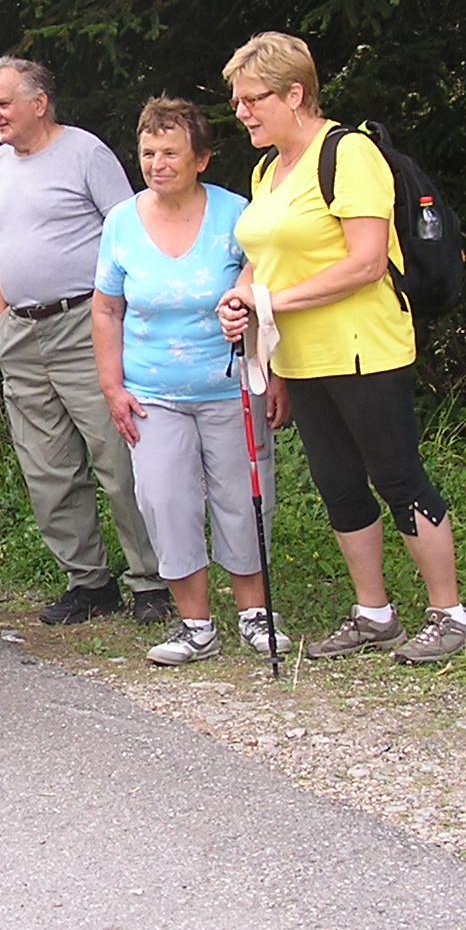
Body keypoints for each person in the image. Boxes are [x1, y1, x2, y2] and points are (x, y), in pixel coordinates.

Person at [218, 31, 466, 664]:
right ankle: (373, 612)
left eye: (254, 99)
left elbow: (364, 263)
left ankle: (451, 614)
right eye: (237, 102)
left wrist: (268, 302)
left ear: (295, 93)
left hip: (366, 347)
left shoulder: (349, 153)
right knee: (338, 483)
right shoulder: (266, 168)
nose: (243, 112)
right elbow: (262, 258)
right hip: (300, 354)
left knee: (395, 474)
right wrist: (239, 297)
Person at [92, 98, 294, 665]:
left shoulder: (237, 215)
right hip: (152, 394)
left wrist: (274, 376)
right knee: (164, 500)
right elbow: (105, 310)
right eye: (148, 153)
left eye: (171, 152)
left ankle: (255, 615)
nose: (157, 163)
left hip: (232, 384)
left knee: (243, 498)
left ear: (201, 158)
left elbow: (266, 298)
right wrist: (112, 386)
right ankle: (194, 626)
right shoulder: (121, 222)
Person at [0, 56, 169, 625]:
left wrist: (113, 320)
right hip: (20, 332)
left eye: (3, 102)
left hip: (83, 325)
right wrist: (1, 318)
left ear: (39, 102)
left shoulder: (86, 153)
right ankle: (89, 582)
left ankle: (153, 580)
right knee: (46, 465)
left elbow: (128, 238)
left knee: (117, 454)